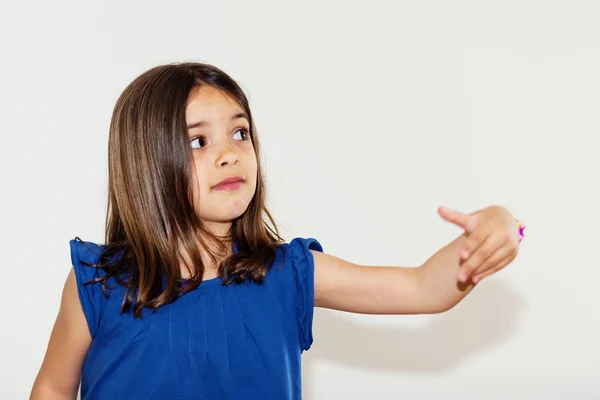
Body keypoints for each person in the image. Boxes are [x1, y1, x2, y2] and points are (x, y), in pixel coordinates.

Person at [29, 62, 526, 400]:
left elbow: (421, 288)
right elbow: (52, 388)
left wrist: (499, 227)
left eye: (239, 132)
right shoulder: (97, 283)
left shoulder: (287, 273)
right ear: (145, 163)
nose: (230, 152)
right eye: (198, 140)